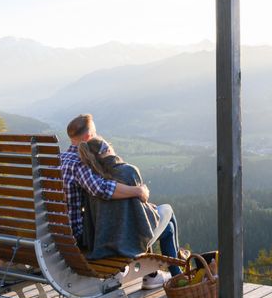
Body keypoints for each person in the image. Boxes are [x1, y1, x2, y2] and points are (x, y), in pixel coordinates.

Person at [61, 114, 182, 288]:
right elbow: (101, 188)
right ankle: (176, 277)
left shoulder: (60, 159)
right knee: (168, 216)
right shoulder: (81, 164)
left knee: (167, 226)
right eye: (95, 133)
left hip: (58, 235)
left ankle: (158, 275)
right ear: (88, 137)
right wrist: (138, 191)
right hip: (82, 238)